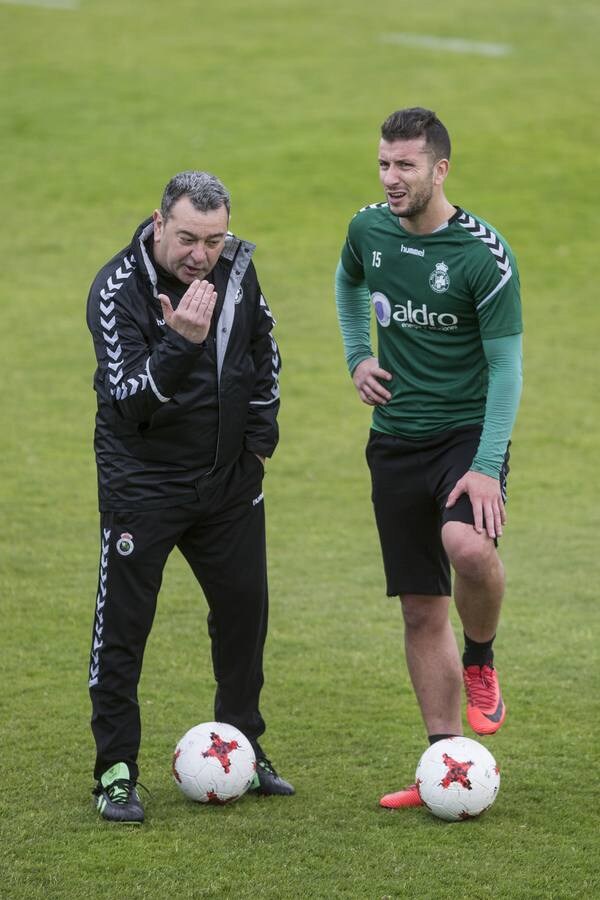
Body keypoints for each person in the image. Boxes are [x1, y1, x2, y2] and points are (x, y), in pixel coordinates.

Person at [86, 170, 294, 824]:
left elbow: (264, 351)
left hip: (227, 484)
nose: (200, 254)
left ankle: (242, 743)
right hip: (144, 484)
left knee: (243, 616)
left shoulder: (235, 268)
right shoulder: (116, 291)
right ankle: (115, 770)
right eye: (186, 238)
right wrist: (180, 347)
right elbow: (129, 405)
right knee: (123, 629)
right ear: (157, 224)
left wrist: (257, 446)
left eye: (213, 238)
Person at [334, 108, 523, 809]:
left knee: (467, 548)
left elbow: (507, 368)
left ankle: (481, 657)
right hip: (394, 438)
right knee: (419, 607)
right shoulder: (368, 228)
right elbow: (348, 282)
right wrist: (358, 355)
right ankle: (448, 764)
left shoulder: (482, 254)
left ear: (440, 169)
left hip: (465, 436)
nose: (390, 177)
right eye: (384, 163)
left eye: (405, 165)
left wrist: (487, 461)